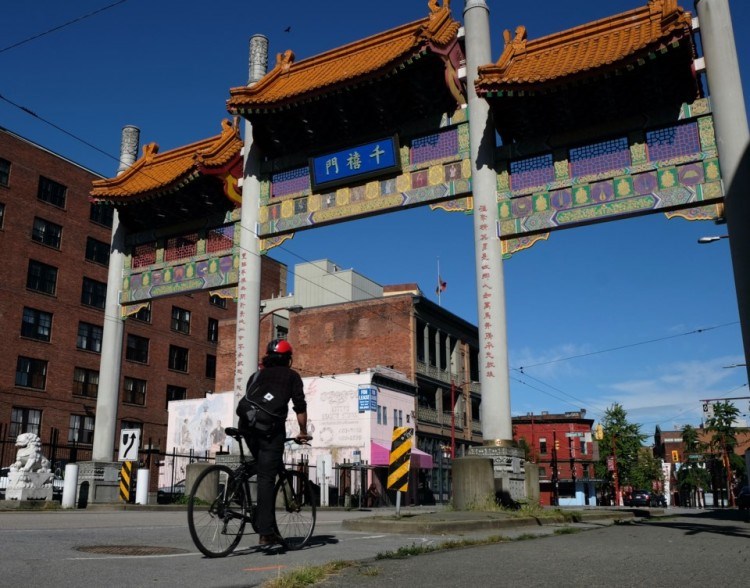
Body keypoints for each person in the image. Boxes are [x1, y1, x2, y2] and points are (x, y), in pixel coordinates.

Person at [237, 339, 310, 546]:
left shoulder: (256, 375)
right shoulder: (292, 376)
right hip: (270, 430)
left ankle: (236, 486)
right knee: (267, 477)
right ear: (288, 359)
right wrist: (303, 432)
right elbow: (300, 407)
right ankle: (266, 532)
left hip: (246, 427)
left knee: (262, 467)